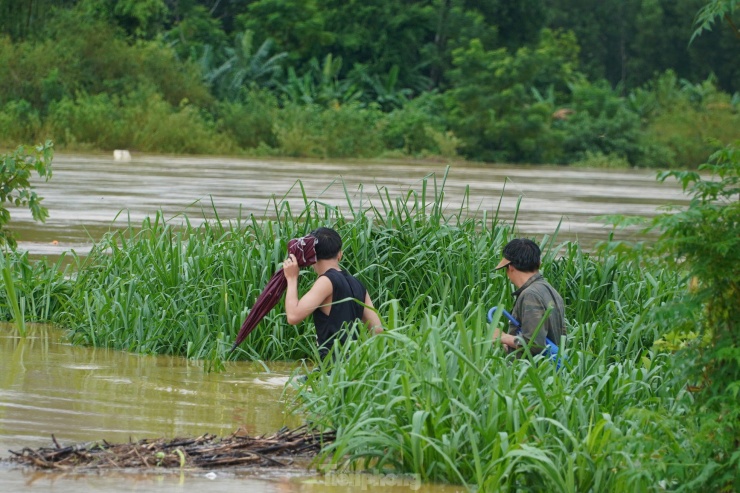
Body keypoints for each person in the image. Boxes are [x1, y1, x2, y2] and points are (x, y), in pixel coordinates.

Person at [283, 227, 383, 360]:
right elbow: (377, 330)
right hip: (352, 367)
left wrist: (292, 278)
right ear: (340, 254)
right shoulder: (358, 284)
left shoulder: (326, 281)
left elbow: (293, 316)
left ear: (312, 257)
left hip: (330, 370)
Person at [492, 238, 566, 356]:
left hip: (531, 372)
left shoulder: (530, 295)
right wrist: (509, 345)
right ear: (538, 263)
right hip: (548, 370)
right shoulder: (549, 290)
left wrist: (503, 337)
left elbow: (534, 344)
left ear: (510, 267)